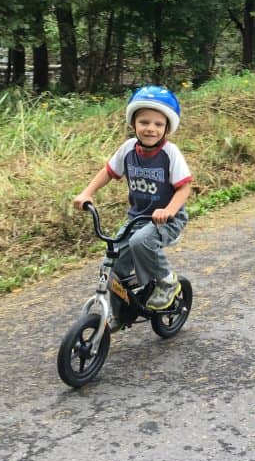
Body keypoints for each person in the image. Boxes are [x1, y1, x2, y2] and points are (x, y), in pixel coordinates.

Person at [72, 85, 193, 310]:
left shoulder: (170, 153)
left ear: (167, 128)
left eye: (158, 124)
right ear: (133, 124)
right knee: (111, 267)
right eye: (144, 122)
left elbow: (184, 188)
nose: (151, 129)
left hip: (168, 219)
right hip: (137, 219)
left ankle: (167, 282)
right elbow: (108, 172)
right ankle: (119, 315)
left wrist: (168, 210)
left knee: (141, 242)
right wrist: (87, 192)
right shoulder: (128, 148)